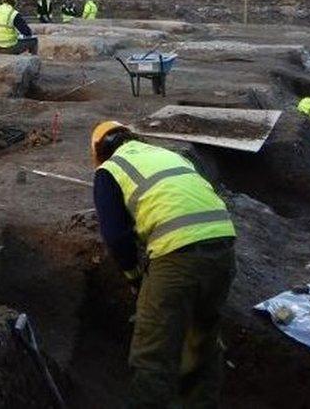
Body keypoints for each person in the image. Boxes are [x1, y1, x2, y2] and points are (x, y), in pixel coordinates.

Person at [90, 121, 237, 408]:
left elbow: (115, 235)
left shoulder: (109, 171)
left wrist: (134, 276)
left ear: (98, 151)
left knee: (153, 354)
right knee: (201, 342)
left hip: (177, 255)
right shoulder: (171, 155)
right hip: (223, 246)